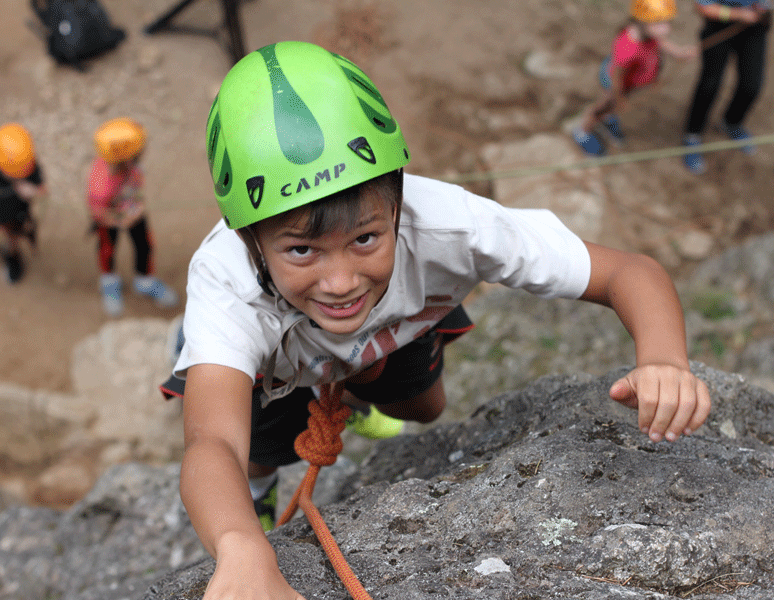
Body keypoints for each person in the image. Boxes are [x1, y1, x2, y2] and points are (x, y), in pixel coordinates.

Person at [174, 41, 711, 600]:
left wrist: (664, 360)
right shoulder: (226, 282)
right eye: (302, 251)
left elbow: (627, 272)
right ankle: (260, 496)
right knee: (259, 455)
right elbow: (212, 441)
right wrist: (240, 545)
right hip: (278, 366)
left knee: (424, 410)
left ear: (398, 205)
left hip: (392, 330)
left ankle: (356, 386)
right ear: (248, 240)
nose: (340, 281)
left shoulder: (451, 227)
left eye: (365, 238)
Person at [573, 0, 697, 156]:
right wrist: (618, 99)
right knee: (602, 108)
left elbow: (661, 42)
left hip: (630, 83)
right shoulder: (628, 48)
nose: (666, 29)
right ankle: (582, 131)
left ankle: (608, 118)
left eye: (667, 22)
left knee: (610, 109)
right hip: (616, 85)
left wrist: (679, 53)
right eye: (659, 23)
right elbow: (617, 78)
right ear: (641, 21)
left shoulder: (649, 34)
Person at [86, 117, 178, 316]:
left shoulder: (127, 163)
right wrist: (122, 220)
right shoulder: (101, 186)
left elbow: (135, 181)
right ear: (126, 156)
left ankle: (144, 281)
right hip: (112, 219)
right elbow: (98, 214)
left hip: (134, 211)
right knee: (107, 250)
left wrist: (137, 207)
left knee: (144, 245)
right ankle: (109, 283)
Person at [681, 0, 772, 174]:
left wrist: (762, 8)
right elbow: (703, 7)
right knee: (710, 84)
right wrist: (738, 14)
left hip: (754, 27)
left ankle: (731, 122)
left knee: (751, 85)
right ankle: (692, 135)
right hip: (719, 26)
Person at [0, 123, 46, 284]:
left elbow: (42, 189)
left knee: (12, 238)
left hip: (15, 213)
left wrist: (32, 190)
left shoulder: (29, 164)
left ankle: (13, 261)